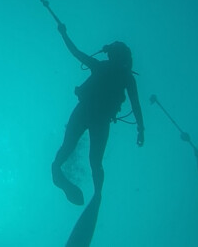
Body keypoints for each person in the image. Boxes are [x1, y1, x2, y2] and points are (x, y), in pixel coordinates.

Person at [51, 23, 145, 205]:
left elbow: (76, 53)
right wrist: (140, 129)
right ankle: (96, 193)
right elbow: (136, 105)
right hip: (99, 118)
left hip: (86, 112)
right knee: (93, 159)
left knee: (73, 149)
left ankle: (57, 171)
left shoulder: (105, 68)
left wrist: (64, 34)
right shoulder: (125, 76)